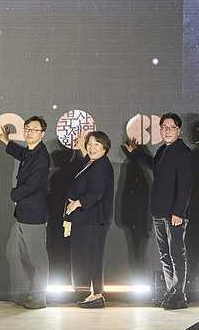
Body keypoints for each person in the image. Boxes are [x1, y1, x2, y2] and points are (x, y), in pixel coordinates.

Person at [123, 112, 193, 310]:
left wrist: (178, 212)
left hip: (174, 214)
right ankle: (171, 290)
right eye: (164, 127)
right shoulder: (163, 150)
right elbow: (153, 165)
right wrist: (135, 153)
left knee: (176, 253)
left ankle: (179, 294)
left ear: (179, 131)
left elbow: (185, 185)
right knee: (165, 254)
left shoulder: (184, 153)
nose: (167, 131)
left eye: (172, 128)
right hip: (159, 211)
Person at [0, 116, 50, 310]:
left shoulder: (42, 156)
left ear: (42, 134)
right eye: (27, 129)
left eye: (34, 130)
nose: (29, 133)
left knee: (37, 258)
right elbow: (21, 153)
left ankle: (40, 296)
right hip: (24, 213)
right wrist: (7, 141)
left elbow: (33, 184)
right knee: (26, 257)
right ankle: (32, 292)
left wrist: (14, 194)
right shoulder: (31, 151)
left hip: (34, 215)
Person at [64, 130, 114, 309]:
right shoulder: (96, 163)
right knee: (91, 257)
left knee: (94, 257)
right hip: (91, 219)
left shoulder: (101, 167)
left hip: (94, 219)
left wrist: (76, 204)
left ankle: (98, 295)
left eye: (96, 145)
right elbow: (89, 166)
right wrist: (83, 150)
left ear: (105, 148)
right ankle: (95, 293)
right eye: (90, 144)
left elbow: (95, 193)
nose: (92, 148)